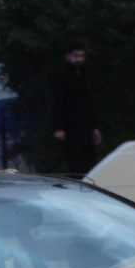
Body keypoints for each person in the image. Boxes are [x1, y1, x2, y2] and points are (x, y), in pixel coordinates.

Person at [52, 41, 102, 178]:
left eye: (81, 56)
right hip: (70, 129)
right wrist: (59, 127)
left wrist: (94, 127)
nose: (79, 59)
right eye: (76, 56)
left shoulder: (84, 76)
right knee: (75, 164)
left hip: (85, 128)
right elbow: (57, 102)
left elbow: (89, 103)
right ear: (68, 57)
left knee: (89, 163)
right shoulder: (62, 77)